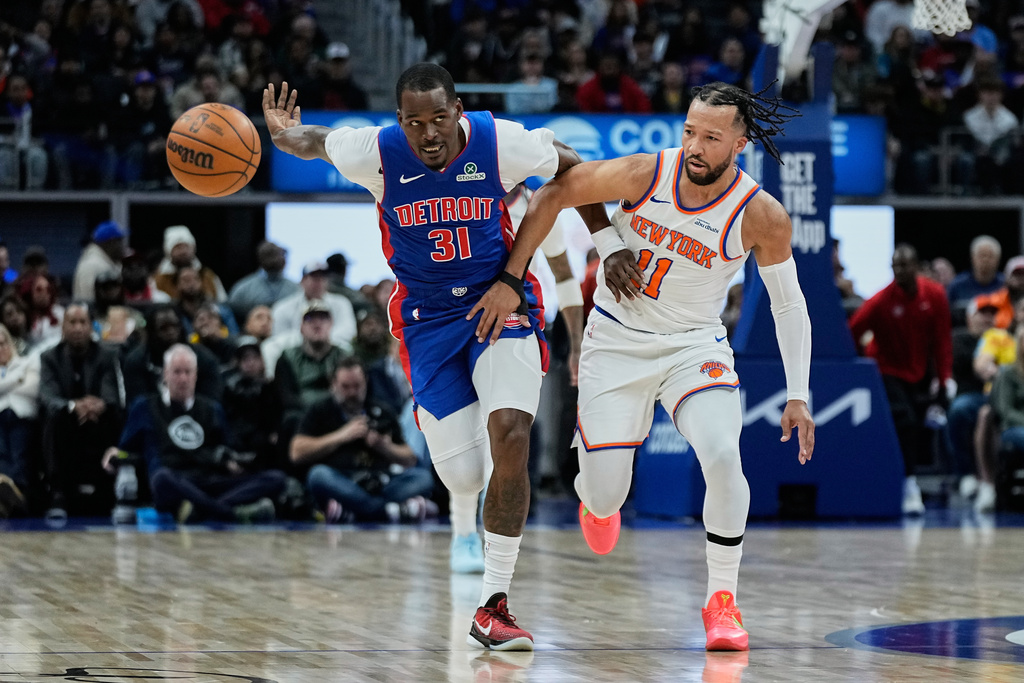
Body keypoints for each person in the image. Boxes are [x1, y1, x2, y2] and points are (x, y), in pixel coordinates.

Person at [263, 62, 609, 651]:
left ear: (458, 111)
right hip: (427, 322)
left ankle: (493, 603)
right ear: (400, 121)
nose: (428, 134)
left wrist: (611, 242)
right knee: (464, 475)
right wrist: (280, 135)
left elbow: (574, 166)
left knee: (511, 431)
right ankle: (464, 509)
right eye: (415, 122)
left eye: (439, 119)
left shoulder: (502, 144)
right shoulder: (374, 152)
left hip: (500, 303)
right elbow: (318, 141)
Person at [470, 81, 814, 652]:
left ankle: (722, 602)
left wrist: (797, 393)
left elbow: (789, 303)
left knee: (725, 455)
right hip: (617, 342)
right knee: (606, 496)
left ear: (740, 143)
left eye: (710, 137)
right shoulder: (645, 174)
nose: (695, 147)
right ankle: (596, 497)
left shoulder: (763, 215)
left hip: (694, 347)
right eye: (688, 132)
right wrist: (519, 274)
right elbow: (554, 193)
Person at [103, 344, 287, 524]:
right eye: (176, 372)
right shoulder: (145, 407)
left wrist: (232, 462)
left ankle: (201, 510)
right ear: (165, 375)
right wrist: (115, 452)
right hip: (174, 481)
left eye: (187, 372)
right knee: (161, 479)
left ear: (195, 375)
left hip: (209, 480)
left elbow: (228, 447)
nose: (183, 379)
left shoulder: (211, 408)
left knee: (276, 478)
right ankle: (228, 512)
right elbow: (125, 449)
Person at [850, 244, 953, 515]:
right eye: (895, 265)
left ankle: (951, 481)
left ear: (916, 267)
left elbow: (942, 341)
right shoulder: (880, 301)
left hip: (919, 374)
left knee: (923, 425)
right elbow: (852, 330)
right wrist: (861, 369)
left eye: (904, 265)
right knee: (905, 422)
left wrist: (944, 379)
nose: (899, 271)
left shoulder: (935, 295)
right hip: (887, 371)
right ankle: (909, 487)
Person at [291, 357, 434, 522]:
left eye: (357, 386)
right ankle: (387, 510)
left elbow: (409, 458)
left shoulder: (381, 409)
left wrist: (385, 447)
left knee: (423, 478)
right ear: (334, 384)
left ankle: (354, 510)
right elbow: (297, 451)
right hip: (342, 479)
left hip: (379, 481)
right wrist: (341, 436)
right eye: (345, 387)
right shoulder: (320, 409)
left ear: (366, 382)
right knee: (318, 475)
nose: (352, 393)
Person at [39, 303, 125, 518]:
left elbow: (111, 394)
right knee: (53, 418)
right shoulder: (50, 357)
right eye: (72, 322)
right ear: (63, 328)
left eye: (82, 322)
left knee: (114, 416)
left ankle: (108, 490)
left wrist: (98, 405)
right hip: (66, 421)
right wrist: (73, 406)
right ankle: (57, 492)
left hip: (97, 419)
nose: (77, 328)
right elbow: (48, 396)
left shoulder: (106, 355)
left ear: (91, 327)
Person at [0, 323, 40, 518]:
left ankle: (14, 489)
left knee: (19, 451)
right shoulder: (22, 372)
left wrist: (4, 385)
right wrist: (17, 380)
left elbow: (33, 388)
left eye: (3, 343)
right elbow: (23, 384)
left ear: (10, 342)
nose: (1, 349)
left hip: (22, 416)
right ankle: (9, 491)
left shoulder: (28, 362)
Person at [227, 241, 301, 321]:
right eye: (269, 255)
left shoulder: (296, 289)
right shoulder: (243, 290)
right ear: (260, 257)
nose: (275, 259)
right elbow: (231, 313)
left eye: (278, 255)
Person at [73, 220, 126, 302]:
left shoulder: (106, 262)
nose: (122, 246)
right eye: (119, 241)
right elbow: (87, 301)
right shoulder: (92, 265)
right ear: (110, 242)